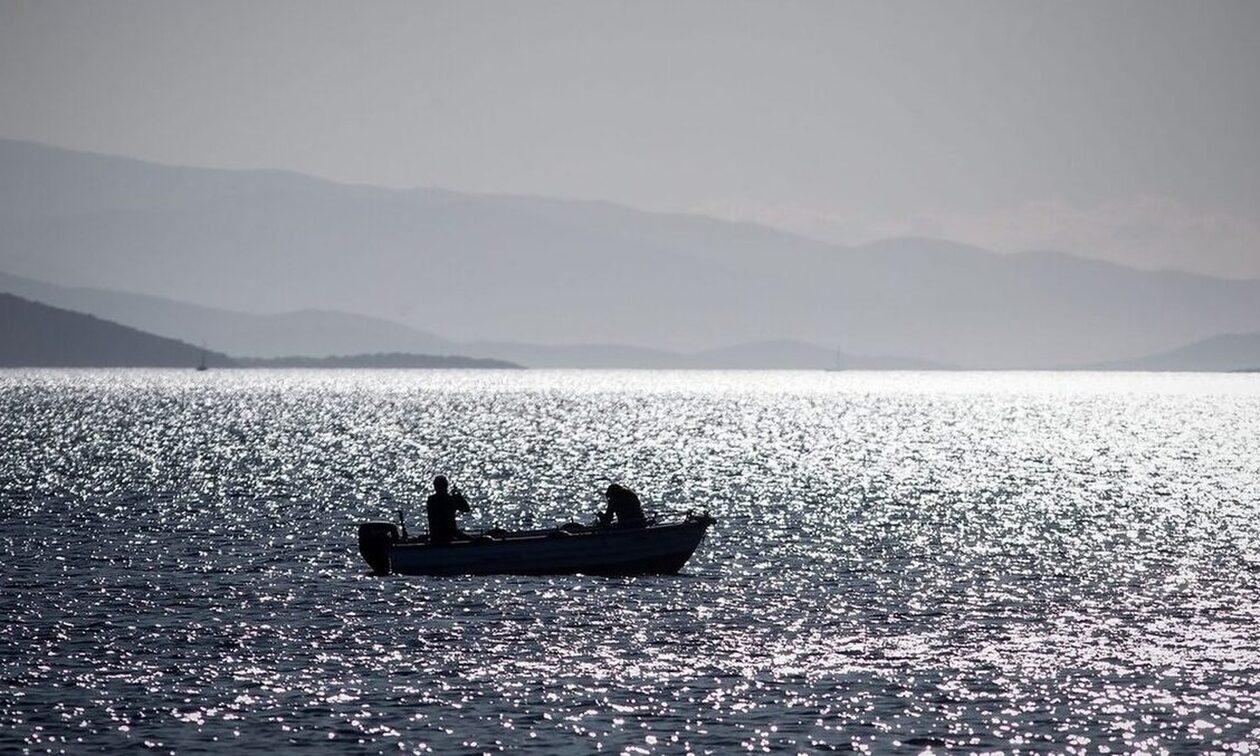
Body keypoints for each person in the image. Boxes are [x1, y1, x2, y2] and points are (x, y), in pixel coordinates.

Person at [426, 475, 471, 544]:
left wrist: (458, 497)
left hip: (436, 535)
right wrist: (458, 497)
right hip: (448, 534)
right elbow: (466, 508)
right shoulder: (449, 499)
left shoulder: (432, 499)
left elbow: (466, 509)